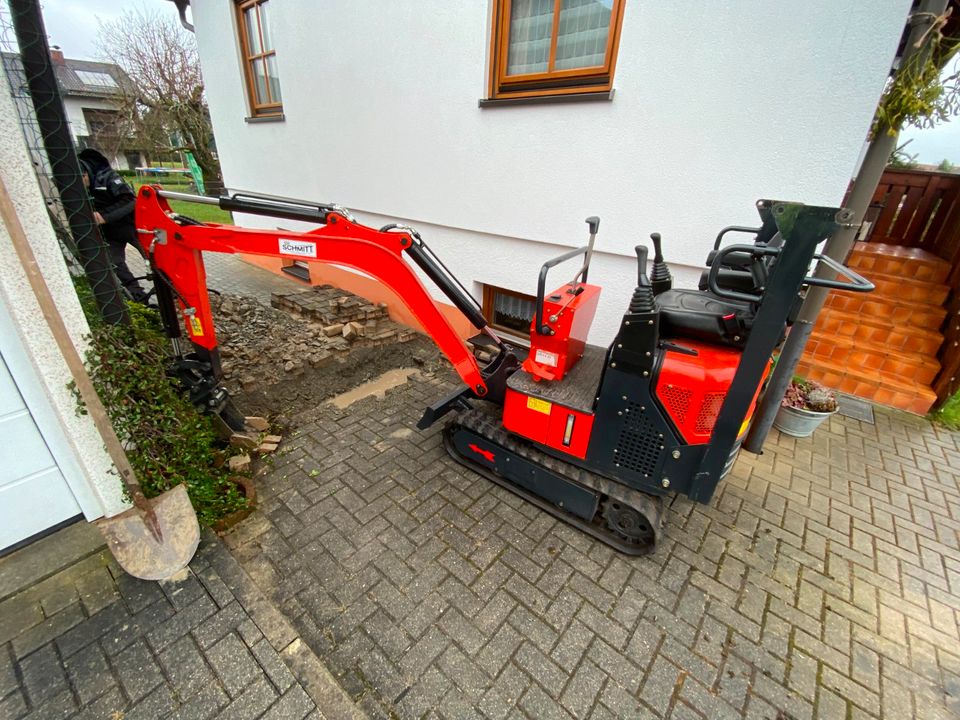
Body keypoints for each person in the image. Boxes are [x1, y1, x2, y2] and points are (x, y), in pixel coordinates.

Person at [77, 148, 149, 304]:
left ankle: (174, 295)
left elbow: (130, 200)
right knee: (115, 264)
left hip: (133, 227)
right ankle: (139, 298)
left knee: (154, 261)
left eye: (82, 179)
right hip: (111, 232)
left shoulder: (109, 178)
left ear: (85, 174)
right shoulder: (81, 189)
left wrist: (103, 216)